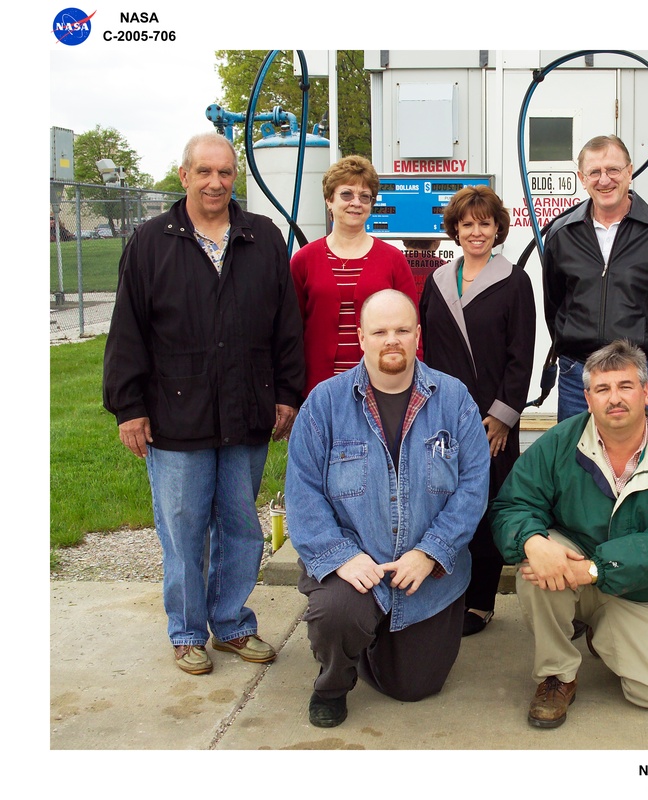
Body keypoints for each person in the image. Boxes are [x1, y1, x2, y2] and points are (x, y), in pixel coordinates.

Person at [102, 131, 305, 676]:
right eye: (205, 172)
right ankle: (187, 632)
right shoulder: (150, 242)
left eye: (226, 173)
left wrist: (287, 393)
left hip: (246, 411)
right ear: (184, 175)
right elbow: (128, 331)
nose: (216, 182)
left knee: (240, 524)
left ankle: (233, 624)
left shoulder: (261, 238)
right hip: (175, 414)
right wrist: (129, 407)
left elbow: (286, 325)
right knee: (184, 527)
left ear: (234, 178)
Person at [286, 289, 491, 728]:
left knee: (414, 687)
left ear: (418, 335)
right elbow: (302, 494)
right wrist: (342, 557)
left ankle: (372, 639)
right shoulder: (324, 404)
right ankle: (333, 679)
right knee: (338, 615)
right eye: (380, 331)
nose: (391, 340)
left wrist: (432, 551)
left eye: (402, 330)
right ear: (361, 337)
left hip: (425, 575)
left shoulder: (454, 400)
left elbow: (474, 486)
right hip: (355, 566)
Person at [491, 340, 648, 729]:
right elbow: (512, 505)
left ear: (646, 392)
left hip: (642, 590)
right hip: (571, 568)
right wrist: (532, 542)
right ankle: (556, 674)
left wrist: (595, 570)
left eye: (625, 386)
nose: (615, 399)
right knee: (537, 564)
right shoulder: (559, 441)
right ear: (588, 398)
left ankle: (602, 629)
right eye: (602, 389)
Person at [419, 185, 536, 636]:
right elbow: (427, 349)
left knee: (485, 504)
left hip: (492, 420)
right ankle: (446, 591)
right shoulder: (437, 281)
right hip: (444, 414)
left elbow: (520, 354)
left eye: (484, 223)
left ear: (498, 228)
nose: (476, 231)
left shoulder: (514, 281)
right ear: (454, 229)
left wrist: (505, 416)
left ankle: (481, 600)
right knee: (443, 502)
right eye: (467, 223)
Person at [542, 134, 648, 422]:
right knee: (578, 465)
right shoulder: (561, 234)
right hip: (579, 379)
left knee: (645, 463)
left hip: (640, 377)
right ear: (582, 178)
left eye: (613, 170)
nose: (604, 180)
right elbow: (554, 306)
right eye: (595, 172)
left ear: (629, 171)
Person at [290, 155, 419, 396]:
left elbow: (412, 328)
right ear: (329, 200)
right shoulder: (303, 261)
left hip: (382, 387)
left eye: (364, 197)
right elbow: (290, 332)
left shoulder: (393, 260)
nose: (356, 203)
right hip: (319, 390)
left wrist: (414, 385)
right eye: (346, 194)